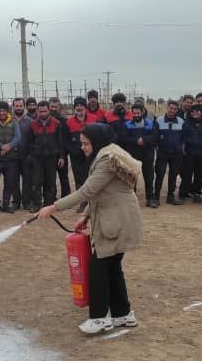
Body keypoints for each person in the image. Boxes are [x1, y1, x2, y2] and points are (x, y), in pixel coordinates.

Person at [36, 123, 142, 334]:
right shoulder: (110, 152)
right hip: (116, 217)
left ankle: (99, 318)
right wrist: (85, 216)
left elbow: (86, 191)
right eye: (81, 143)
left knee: (99, 268)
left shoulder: (107, 161)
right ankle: (123, 314)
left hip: (116, 221)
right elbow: (101, 192)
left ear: (97, 141)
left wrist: (53, 207)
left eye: (86, 143)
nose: (82, 147)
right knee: (112, 267)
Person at [27, 101, 65, 211]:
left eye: (45, 111)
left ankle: (49, 204)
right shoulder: (33, 124)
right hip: (37, 158)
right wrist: (30, 155)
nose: (43, 113)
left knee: (51, 181)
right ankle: (37, 204)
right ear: (38, 111)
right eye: (40, 111)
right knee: (37, 182)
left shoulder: (56, 123)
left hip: (51, 158)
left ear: (49, 110)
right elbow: (29, 142)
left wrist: (61, 157)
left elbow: (60, 142)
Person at [120, 103, 157, 207]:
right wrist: (136, 140)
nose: (136, 115)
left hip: (148, 154)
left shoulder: (150, 123)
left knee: (149, 176)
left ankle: (150, 199)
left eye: (138, 113)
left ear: (142, 112)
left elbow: (154, 136)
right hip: (133, 155)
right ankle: (132, 199)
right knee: (132, 177)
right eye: (134, 113)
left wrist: (144, 140)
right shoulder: (127, 124)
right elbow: (124, 139)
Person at [154, 100, 186, 206]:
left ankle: (170, 196)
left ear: (177, 110)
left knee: (173, 175)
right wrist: (157, 148)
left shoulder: (181, 122)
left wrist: (181, 148)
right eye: (170, 108)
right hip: (163, 152)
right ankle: (156, 197)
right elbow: (155, 137)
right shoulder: (159, 121)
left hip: (176, 153)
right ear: (167, 108)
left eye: (174, 109)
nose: (172, 110)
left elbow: (184, 137)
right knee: (160, 174)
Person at [180, 104, 202, 203]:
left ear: (201, 112)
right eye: (192, 111)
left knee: (200, 174)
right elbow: (183, 136)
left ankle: (197, 194)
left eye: (197, 111)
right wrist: (184, 147)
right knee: (187, 174)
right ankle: (183, 194)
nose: (195, 113)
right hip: (189, 152)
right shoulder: (187, 122)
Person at [65, 97, 93, 212]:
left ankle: (92, 203)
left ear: (85, 107)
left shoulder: (93, 119)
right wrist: (74, 151)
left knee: (91, 178)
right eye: (77, 105)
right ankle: (82, 202)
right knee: (79, 179)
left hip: (90, 155)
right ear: (74, 107)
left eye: (81, 105)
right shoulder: (69, 122)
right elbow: (66, 140)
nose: (79, 107)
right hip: (76, 156)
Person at [49, 97, 73, 199]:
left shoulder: (64, 121)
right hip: (50, 154)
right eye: (52, 106)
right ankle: (51, 197)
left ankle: (66, 198)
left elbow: (67, 138)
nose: (53, 109)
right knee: (50, 178)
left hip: (62, 153)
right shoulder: (46, 120)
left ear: (59, 108)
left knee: (63, 177)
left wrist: (63, 153)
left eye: (55, 107)